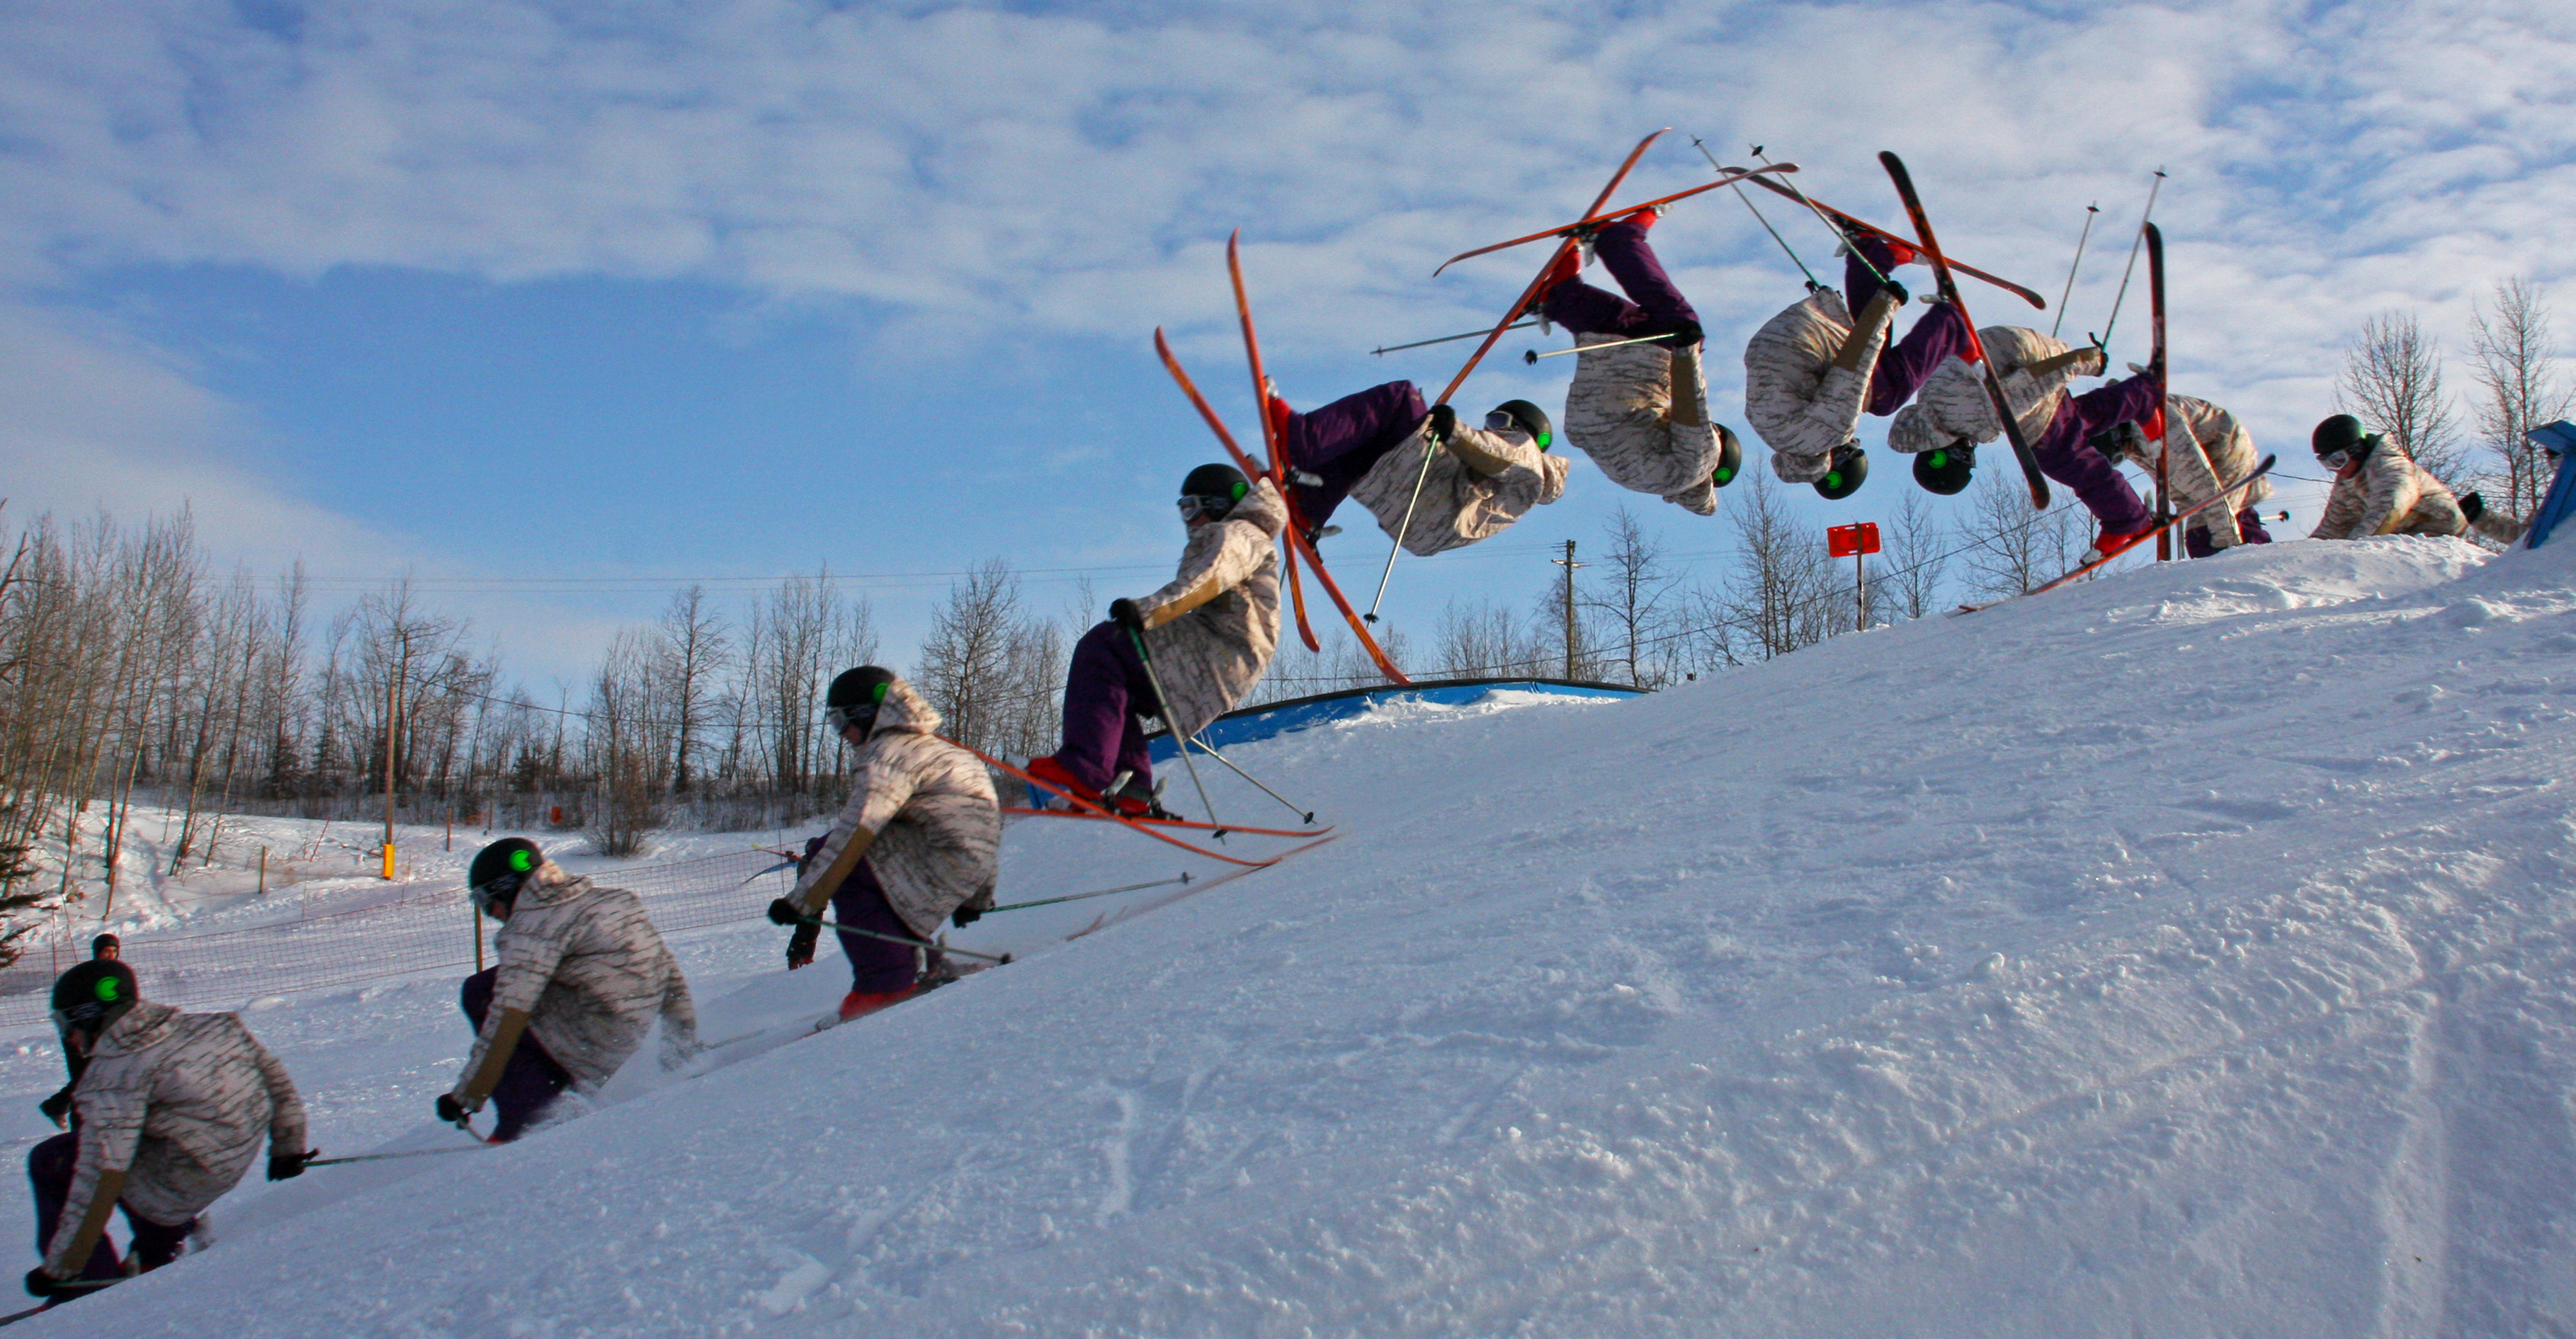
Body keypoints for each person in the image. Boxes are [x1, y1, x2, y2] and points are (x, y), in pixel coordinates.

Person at [25, 960, 312, 1302]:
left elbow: (102, 1171)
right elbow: (276, 1081)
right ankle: (157, 1250)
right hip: (229, 1161)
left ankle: (86, 1287)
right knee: (137, 1143)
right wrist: (288, 1147)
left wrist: (62, 1267)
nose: (67, 1037)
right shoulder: (214, 1026)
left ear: (87, 1016)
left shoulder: (114, 1074)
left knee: (52, 1159)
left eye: (64, 1024)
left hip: (181, 1181)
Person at [1025, 465, 1286, 816]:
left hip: (1222, 649)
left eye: (1191, 508)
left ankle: (1083, 768)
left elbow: (1210, 577)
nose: (1187, 520)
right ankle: (1132, 788)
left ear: (1219, 503)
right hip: (1225, 654)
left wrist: (1147, 612)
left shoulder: (1238, 534)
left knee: (1103, 645)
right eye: (1182, 509)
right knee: (1118, 681)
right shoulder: (1240, 534)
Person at [765, 668, 1000, 1023]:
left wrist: (801, 901)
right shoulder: (942, 750)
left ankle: (885, 987)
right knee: (839, 855)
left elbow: (859, 829)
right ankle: (926, 967)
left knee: (849, 863)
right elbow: (983, 828)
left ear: (866, 713)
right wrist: (977, 897)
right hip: (958, 865)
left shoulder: (888, 753)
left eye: (839, 721)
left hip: (935, 859)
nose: (842, 734)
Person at [437, 838, 699, 1142]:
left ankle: (534, 1118)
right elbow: (668, 974)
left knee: (481, 991)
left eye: (484, 900)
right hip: (633, 1038)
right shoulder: (616, 901)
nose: (490, 913)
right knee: (515, 984)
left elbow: (508, 1014)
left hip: (594, 1046)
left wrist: (467, 1095)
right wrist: (681, 1046)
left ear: (505, 888)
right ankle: (557, 1096)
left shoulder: (531, 926)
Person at [1890, 326, 2164, 558]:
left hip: (2026, 359)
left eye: (1966, 456)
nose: (1971, 449)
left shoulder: (1972, 416)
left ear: (1951, 455)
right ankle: (2140, 395)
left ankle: (2127, 520)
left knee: (2057, 453)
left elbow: (2030, 383)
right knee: (2068, 421)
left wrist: (2086, 361)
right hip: (2005, 348)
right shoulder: (1929, 412)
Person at [1538, 210, 1743, 514]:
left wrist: (1687, 351)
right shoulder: (1652, 484)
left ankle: (1619, 240)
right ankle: (1561, 295)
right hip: (1591, 415)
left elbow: (1690, 406)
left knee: (1678, 324)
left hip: (1624, 404)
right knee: (1624, 330)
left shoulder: (1701, 460)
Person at [1743, 234, 1972, 496]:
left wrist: (1885, 305)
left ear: (1841, 456)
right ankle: (1870, 258)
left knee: (1885, 396)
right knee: (1873, 377)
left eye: (1853, 445)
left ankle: (1950, 324)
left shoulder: (1824, 434)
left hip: (1809, 338)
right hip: (1788, 334)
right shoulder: (1774, 435)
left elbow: (1851, 372)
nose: (1853, 439)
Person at [1271, 384, 1569, 557]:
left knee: (1403, 399)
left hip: (1438, 506)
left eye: (1499, 421)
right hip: (1423, 518)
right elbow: (1481, 462)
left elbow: (1502, 456)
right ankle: (1307, 507)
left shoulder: (1529, 463)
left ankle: (1301, 439)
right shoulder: (1507, 485)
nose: (1492, 428)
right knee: (1369, 445)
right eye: (1490, 421)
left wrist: (1453, 431)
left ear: (1524, 429)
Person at [2092, 393, 2275, 557]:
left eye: (2120, 454)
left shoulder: (2161, 430)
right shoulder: (2131, 439)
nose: (2126, 453)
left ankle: (2254, 556)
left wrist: (2227, 542)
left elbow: (2201, 482)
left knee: (2210, 533)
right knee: (2199, 539)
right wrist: (2181, 507)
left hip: (2224, 447)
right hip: (2199, 452)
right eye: (2119, 458)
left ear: (2117, 437)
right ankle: (2229, 552)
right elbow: (2165, 476)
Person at [2308, 414, 2469, 540]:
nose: (2336, 470)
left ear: (2356, 451)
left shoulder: (2391, 468)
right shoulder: (2347, 482)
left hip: (2438, 531)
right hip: (2401, 536)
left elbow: (2389, 508)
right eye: (2327, 464)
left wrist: (2352, 548)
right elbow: (2334, 526)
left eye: (2338, 461)